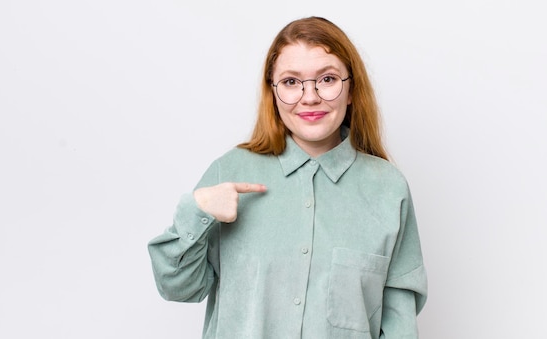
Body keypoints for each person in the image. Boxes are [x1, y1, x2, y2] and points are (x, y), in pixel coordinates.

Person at [148, 16, 427, 338]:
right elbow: (178, 288)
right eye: (292, 82)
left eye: (327, 79)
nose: (310, 97)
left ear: (351, 90)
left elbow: (399, 322)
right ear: (273, 93)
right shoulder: (231, 172)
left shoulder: (388, 189)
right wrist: (196, 211)